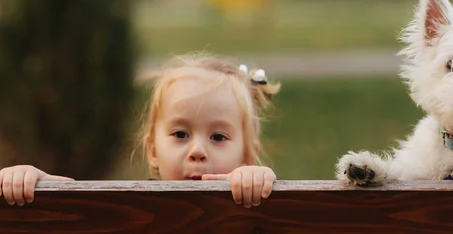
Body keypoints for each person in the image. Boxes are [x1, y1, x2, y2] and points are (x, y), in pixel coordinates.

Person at [0, 53, 280, 208]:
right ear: (153, 150)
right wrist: (31, 182)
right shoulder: (129, 210)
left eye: (218, 137)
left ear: (247, 156)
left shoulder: (251, 210)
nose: (197, 151)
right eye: (181, 134)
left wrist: (256, 180)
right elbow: (72, 215)